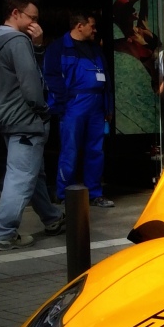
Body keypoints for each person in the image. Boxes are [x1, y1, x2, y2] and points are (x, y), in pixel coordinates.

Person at [0, 0, 65, 250]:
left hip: (8, 116)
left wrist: (38, 46)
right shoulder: (17, 41)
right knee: (21, 176)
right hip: (25, 119)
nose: (35, 23)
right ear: (16, 13)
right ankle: (5, 233)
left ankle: (52, 218)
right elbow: (30, 80)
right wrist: (42, 110)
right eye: (32, 17)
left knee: (33, 174)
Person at [48, 11, 114, 207]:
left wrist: (108, 107)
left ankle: (94, 194)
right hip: (73, 105)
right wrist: (62, 103)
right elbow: (51, 77)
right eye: (92, 26)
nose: (95, 30)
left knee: (96, 150)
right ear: (79, 26)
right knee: (70, 150)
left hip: (96, 105)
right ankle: (63, 193)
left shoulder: (96, 49)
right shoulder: (58, 48)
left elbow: (107, 80)